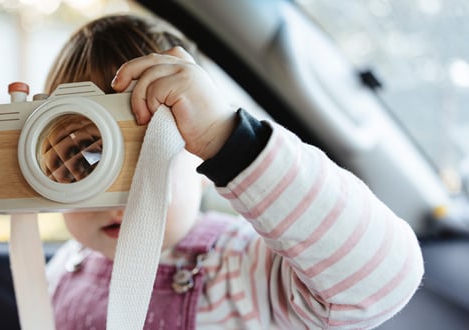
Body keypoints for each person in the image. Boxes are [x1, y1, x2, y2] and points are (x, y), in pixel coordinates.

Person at [44, 14, 424, 329]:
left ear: (200, 155)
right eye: (85, 160)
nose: (122, 192)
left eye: (151, 157)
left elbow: (379, 280)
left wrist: (229, 139)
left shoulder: (245, 268)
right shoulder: (64, 268)